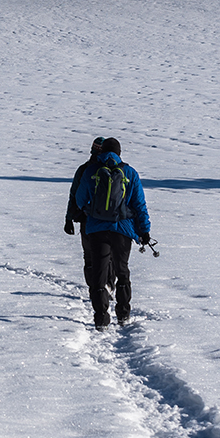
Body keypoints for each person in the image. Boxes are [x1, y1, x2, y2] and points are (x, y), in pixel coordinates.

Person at [73, 137, 151, 329]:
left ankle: (101, 319)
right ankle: (123, 315)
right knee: (122, 271)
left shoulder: (91, 171)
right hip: (123, 231)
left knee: (99, 275)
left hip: (97, 230)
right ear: (119, 152)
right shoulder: (130, 173)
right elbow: (139, 205)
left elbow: (80, 199)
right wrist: (144, 230)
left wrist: (90, 211)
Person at [63, 137, 103, 236]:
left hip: (87, 218)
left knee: (90, 251)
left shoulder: (83, 169)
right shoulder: (117, 170)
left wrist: (69, 219)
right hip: (113, 221)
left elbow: (74, 195)